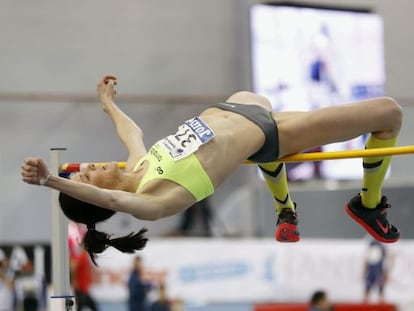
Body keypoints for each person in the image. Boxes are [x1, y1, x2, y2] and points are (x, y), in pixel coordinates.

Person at [21, 75, 402, 263]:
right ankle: (368, 204)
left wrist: (107, 103)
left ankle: (285, 208)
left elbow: (130, 131)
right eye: (88, 175)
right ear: (105, 201)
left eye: (83, 169)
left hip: (240, 108)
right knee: (388, 114)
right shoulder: (154, 201)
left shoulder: (140, 165)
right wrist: (51, 180)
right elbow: (105, 195)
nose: (89, 166)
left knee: (257, 113)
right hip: (267, 133)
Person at [363, 238, 389, 303]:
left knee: (380, 286)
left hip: (379, 268)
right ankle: (365, 302)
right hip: (372, 268)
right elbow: (367, 258)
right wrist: (364, 269)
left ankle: (381, 303)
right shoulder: (371, 245)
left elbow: (386, 259)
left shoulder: (382, 246)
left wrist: (386, 272)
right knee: (368, 286)